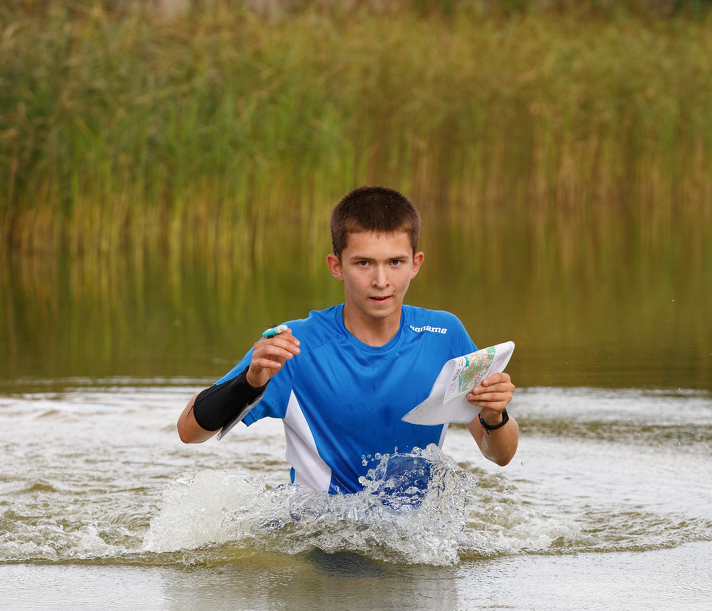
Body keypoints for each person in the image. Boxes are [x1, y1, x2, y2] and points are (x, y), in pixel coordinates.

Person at [176, 186, 518, 492]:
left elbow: (500, 455)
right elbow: (190, 431)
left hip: (416, 539)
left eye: (395, 262)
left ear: (416, 263)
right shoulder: (294, 346)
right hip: (318, 539)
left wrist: (494, 415)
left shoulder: (445, 336)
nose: (381, 280)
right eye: (364, 263)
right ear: (336, 266)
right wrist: (250, 383)